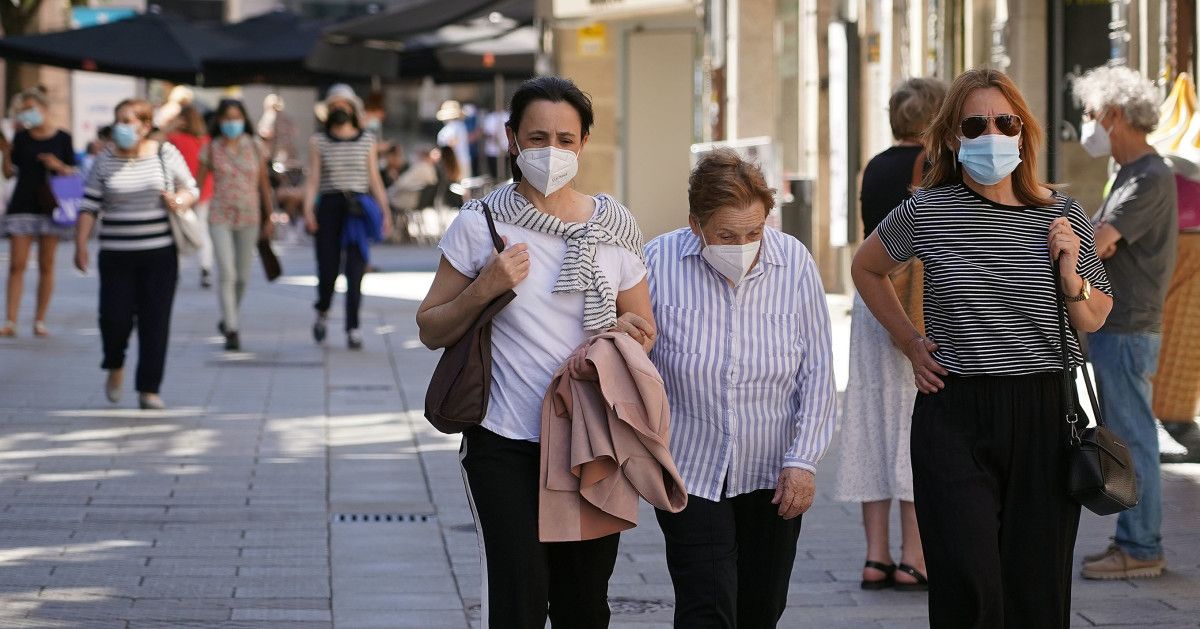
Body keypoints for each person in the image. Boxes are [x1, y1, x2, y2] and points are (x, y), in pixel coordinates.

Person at [851, 68, 1113, 628]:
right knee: (968, 582)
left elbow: (1095, 313)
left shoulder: (1063, 214)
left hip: (1043, 411)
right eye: (976, 123)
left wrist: (1071, 274)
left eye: (1004, 120)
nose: (992, 132)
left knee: (1036, 589)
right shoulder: (927, 209)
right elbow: (867, 267)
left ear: (1023, 131)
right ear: (953, 137)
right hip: (954, 412)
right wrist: (909, 342)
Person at [416, 76, 655, 628]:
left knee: (584, 605)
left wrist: (624, 334)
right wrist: (486, 286)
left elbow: (645, 330)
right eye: (538, 137)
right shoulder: (481, 225)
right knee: (519, 602)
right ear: (513, 140)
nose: (553, 151)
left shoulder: (615, 227)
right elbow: (431, 327)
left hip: (590, 439)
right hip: (505, 441)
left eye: (566, 139)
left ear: (584, 142)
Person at [645, 149, 835, 628]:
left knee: (760, 608)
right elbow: (636, 361)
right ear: (696, 224)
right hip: (689, 465)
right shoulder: (657, 262)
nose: (743, 245)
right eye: (726, 235)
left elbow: (817, 372)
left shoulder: (793, 262)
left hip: (773, 471)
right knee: (705, 607)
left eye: (754, 232)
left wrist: (803, 460)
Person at [831, 77, 946, 592]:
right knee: (914, 427)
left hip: (873, 302)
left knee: (871, 424)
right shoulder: (939, 168)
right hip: (918, 307)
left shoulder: (875, 167)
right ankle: (913, 556)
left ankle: (874, 556)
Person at [1072, 66, 1177, 580]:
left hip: (1129, 328)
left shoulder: (1150, 176)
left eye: (1091, 114)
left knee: (1133, 438)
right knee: (1125, 436)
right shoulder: (1131, 175)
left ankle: (1141, 546)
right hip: (1119, 327)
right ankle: (1132, 539)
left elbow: (1099, 241)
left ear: (1115, 115)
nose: (1087, 125)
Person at [74, 98, 199, 411]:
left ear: (145, 126)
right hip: (116, 255)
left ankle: (149, 388)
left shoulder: (163, 152)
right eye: (119, 121)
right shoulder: (104, 159)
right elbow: (89, 205)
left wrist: (180, 201)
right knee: (113, 319)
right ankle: (115, 364)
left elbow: (191, 188)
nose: (122, 127)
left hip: (159, 254)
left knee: (155, 321)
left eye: (129, 121)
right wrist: (80, 244)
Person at [302, 84, 392, 350]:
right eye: (334, 106)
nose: (339, 109)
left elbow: (374, 178)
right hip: (329, 207)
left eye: (344, 105)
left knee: (355, 270)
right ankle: (323, 310)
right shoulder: (318, 141)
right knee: (327, 269)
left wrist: (385, 210)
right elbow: (313, 179)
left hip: (357, 209)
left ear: (353, 109)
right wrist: (308, 210)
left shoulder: (367, 140)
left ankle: (353, 327)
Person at [196, 99, 274, 352]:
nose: (232, 123)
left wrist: (269, 216)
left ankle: (229, 316)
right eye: (227, 118)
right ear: (219, 120)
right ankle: (231, 326)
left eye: (236, 117)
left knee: (242, 276)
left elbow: (264, 184)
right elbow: (196, 185)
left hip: (249, 216)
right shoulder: (211, 149)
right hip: (220, 216)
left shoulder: (254, 146)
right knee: (227, 272)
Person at [0, 87, 77, 338]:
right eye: (22, 110)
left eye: (30, 108)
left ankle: (39, 320)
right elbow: (10, 173)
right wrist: (6, 153)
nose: (27, 114)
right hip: (22, 204)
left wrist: (57, 165)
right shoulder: (21, 138)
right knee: (17, 265)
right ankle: (10, 320)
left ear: (44, 108)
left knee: (47, 264)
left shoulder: (62, 138)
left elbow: (72, 173)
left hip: (51, 207)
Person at [166, 105, 215, 288]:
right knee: (202, 229)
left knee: (178, 231)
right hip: (204, 191)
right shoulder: (207, 141)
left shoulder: (174, 139)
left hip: (183, 191)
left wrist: (170, 126)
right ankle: (206, 267)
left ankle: (177, 270)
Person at [436, 100, 473, 179]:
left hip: (455, 162)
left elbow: (452, 143)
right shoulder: (459, 126)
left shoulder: (454, 127)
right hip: (461, 160)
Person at [481, 109, 510, 179]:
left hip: (505, 151)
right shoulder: (490, 117)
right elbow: (486, 133)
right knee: (494, 175)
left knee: (505, 175)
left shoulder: (507, 116)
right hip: (492, 152)